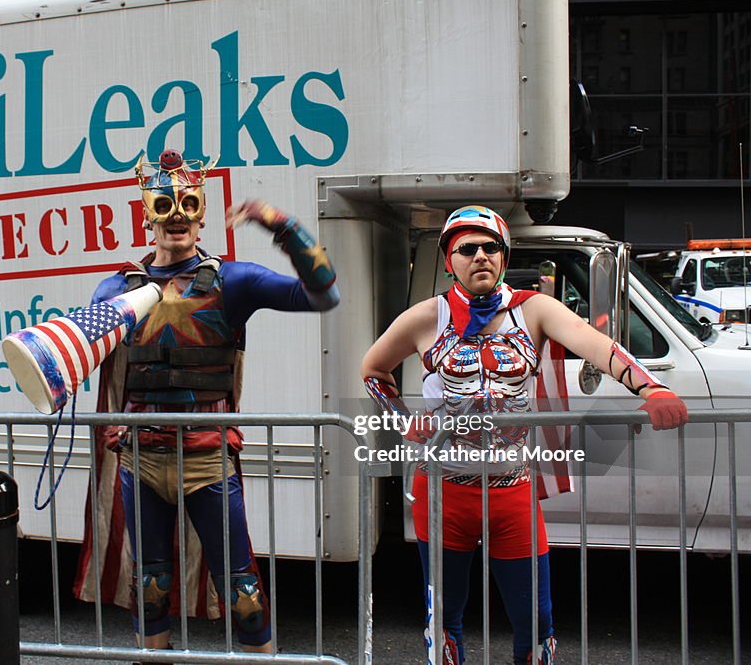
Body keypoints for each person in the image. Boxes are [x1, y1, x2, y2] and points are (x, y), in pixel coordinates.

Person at [360, 205, 688, 665]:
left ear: (504, 256)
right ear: (448, 258)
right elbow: (373, 369)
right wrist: (401, 418)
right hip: (442, 492)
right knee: (443, 620)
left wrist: (650, 386)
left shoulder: (533, 309)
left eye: (491, 247)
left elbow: (594, 342)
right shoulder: (425, 318)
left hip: (512, 490)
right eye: (467, 249)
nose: (481, 257)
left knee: (535, 620)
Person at [75, 149, 339, 658]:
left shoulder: (233, 281)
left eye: (188, 202)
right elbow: (81, 354)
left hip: (207, 461)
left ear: (200, 213)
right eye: (165, 204)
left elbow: (323, 293)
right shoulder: (115, 289)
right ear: (147, 213)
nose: (177, 214)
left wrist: (280, 224)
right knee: (148, 586)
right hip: (141, 458)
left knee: (243, 592)